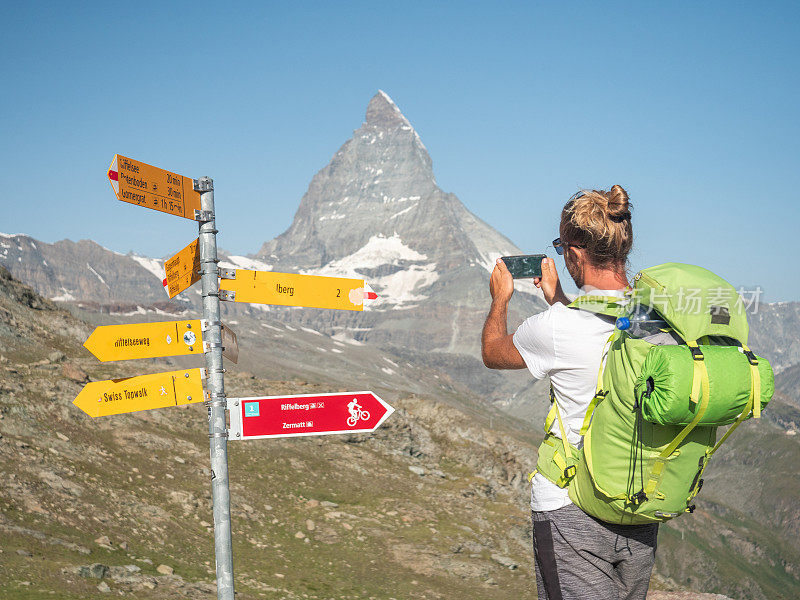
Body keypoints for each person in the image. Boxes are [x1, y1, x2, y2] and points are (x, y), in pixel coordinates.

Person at [480, 185, 657, 600]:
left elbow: (492, 352)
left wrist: (500, 299)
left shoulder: (556, 328)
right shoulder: (654, 317)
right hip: (638, 502)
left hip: (570, 508)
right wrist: (557, 298)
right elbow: (598, 338)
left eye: (562, 247)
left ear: (575, 254)